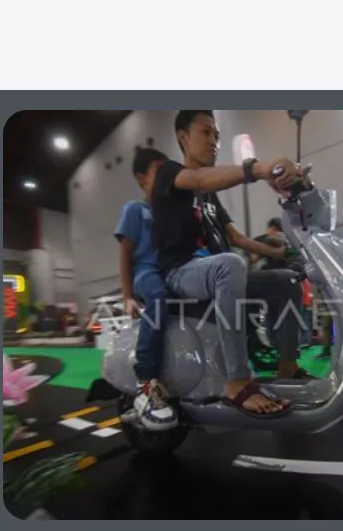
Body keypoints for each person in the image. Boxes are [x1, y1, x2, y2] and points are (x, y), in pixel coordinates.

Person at [149, 110, 306, 418]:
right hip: (181, 273)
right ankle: (237, 381)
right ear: (183, 138)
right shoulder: (170, 173)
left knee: (287, 279)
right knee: (230, 264)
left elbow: (236, 237)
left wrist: (281, 254)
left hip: (215, 271)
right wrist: (260, 169)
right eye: (206, 133)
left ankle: (287, 365)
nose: (214, 142)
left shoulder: (209, 196)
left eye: (217, 136)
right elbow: (198, 179)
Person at [113, 147, 178, 428]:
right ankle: (146, 380)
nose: (166, 176)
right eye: (158, 170)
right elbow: (125, 254)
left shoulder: (170, 213)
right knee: (159, 297)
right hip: (146, 274)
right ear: (142, 179)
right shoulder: (134, 210)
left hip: (170, 271)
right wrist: (127, 295)